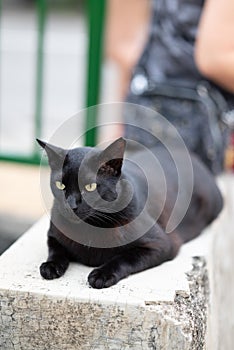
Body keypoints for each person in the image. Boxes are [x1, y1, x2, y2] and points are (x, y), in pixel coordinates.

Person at [111, 0, 234, 174]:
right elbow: (215, 57)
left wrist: (120, 124)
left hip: (147, 113)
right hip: (203, 133)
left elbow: (126, 48)